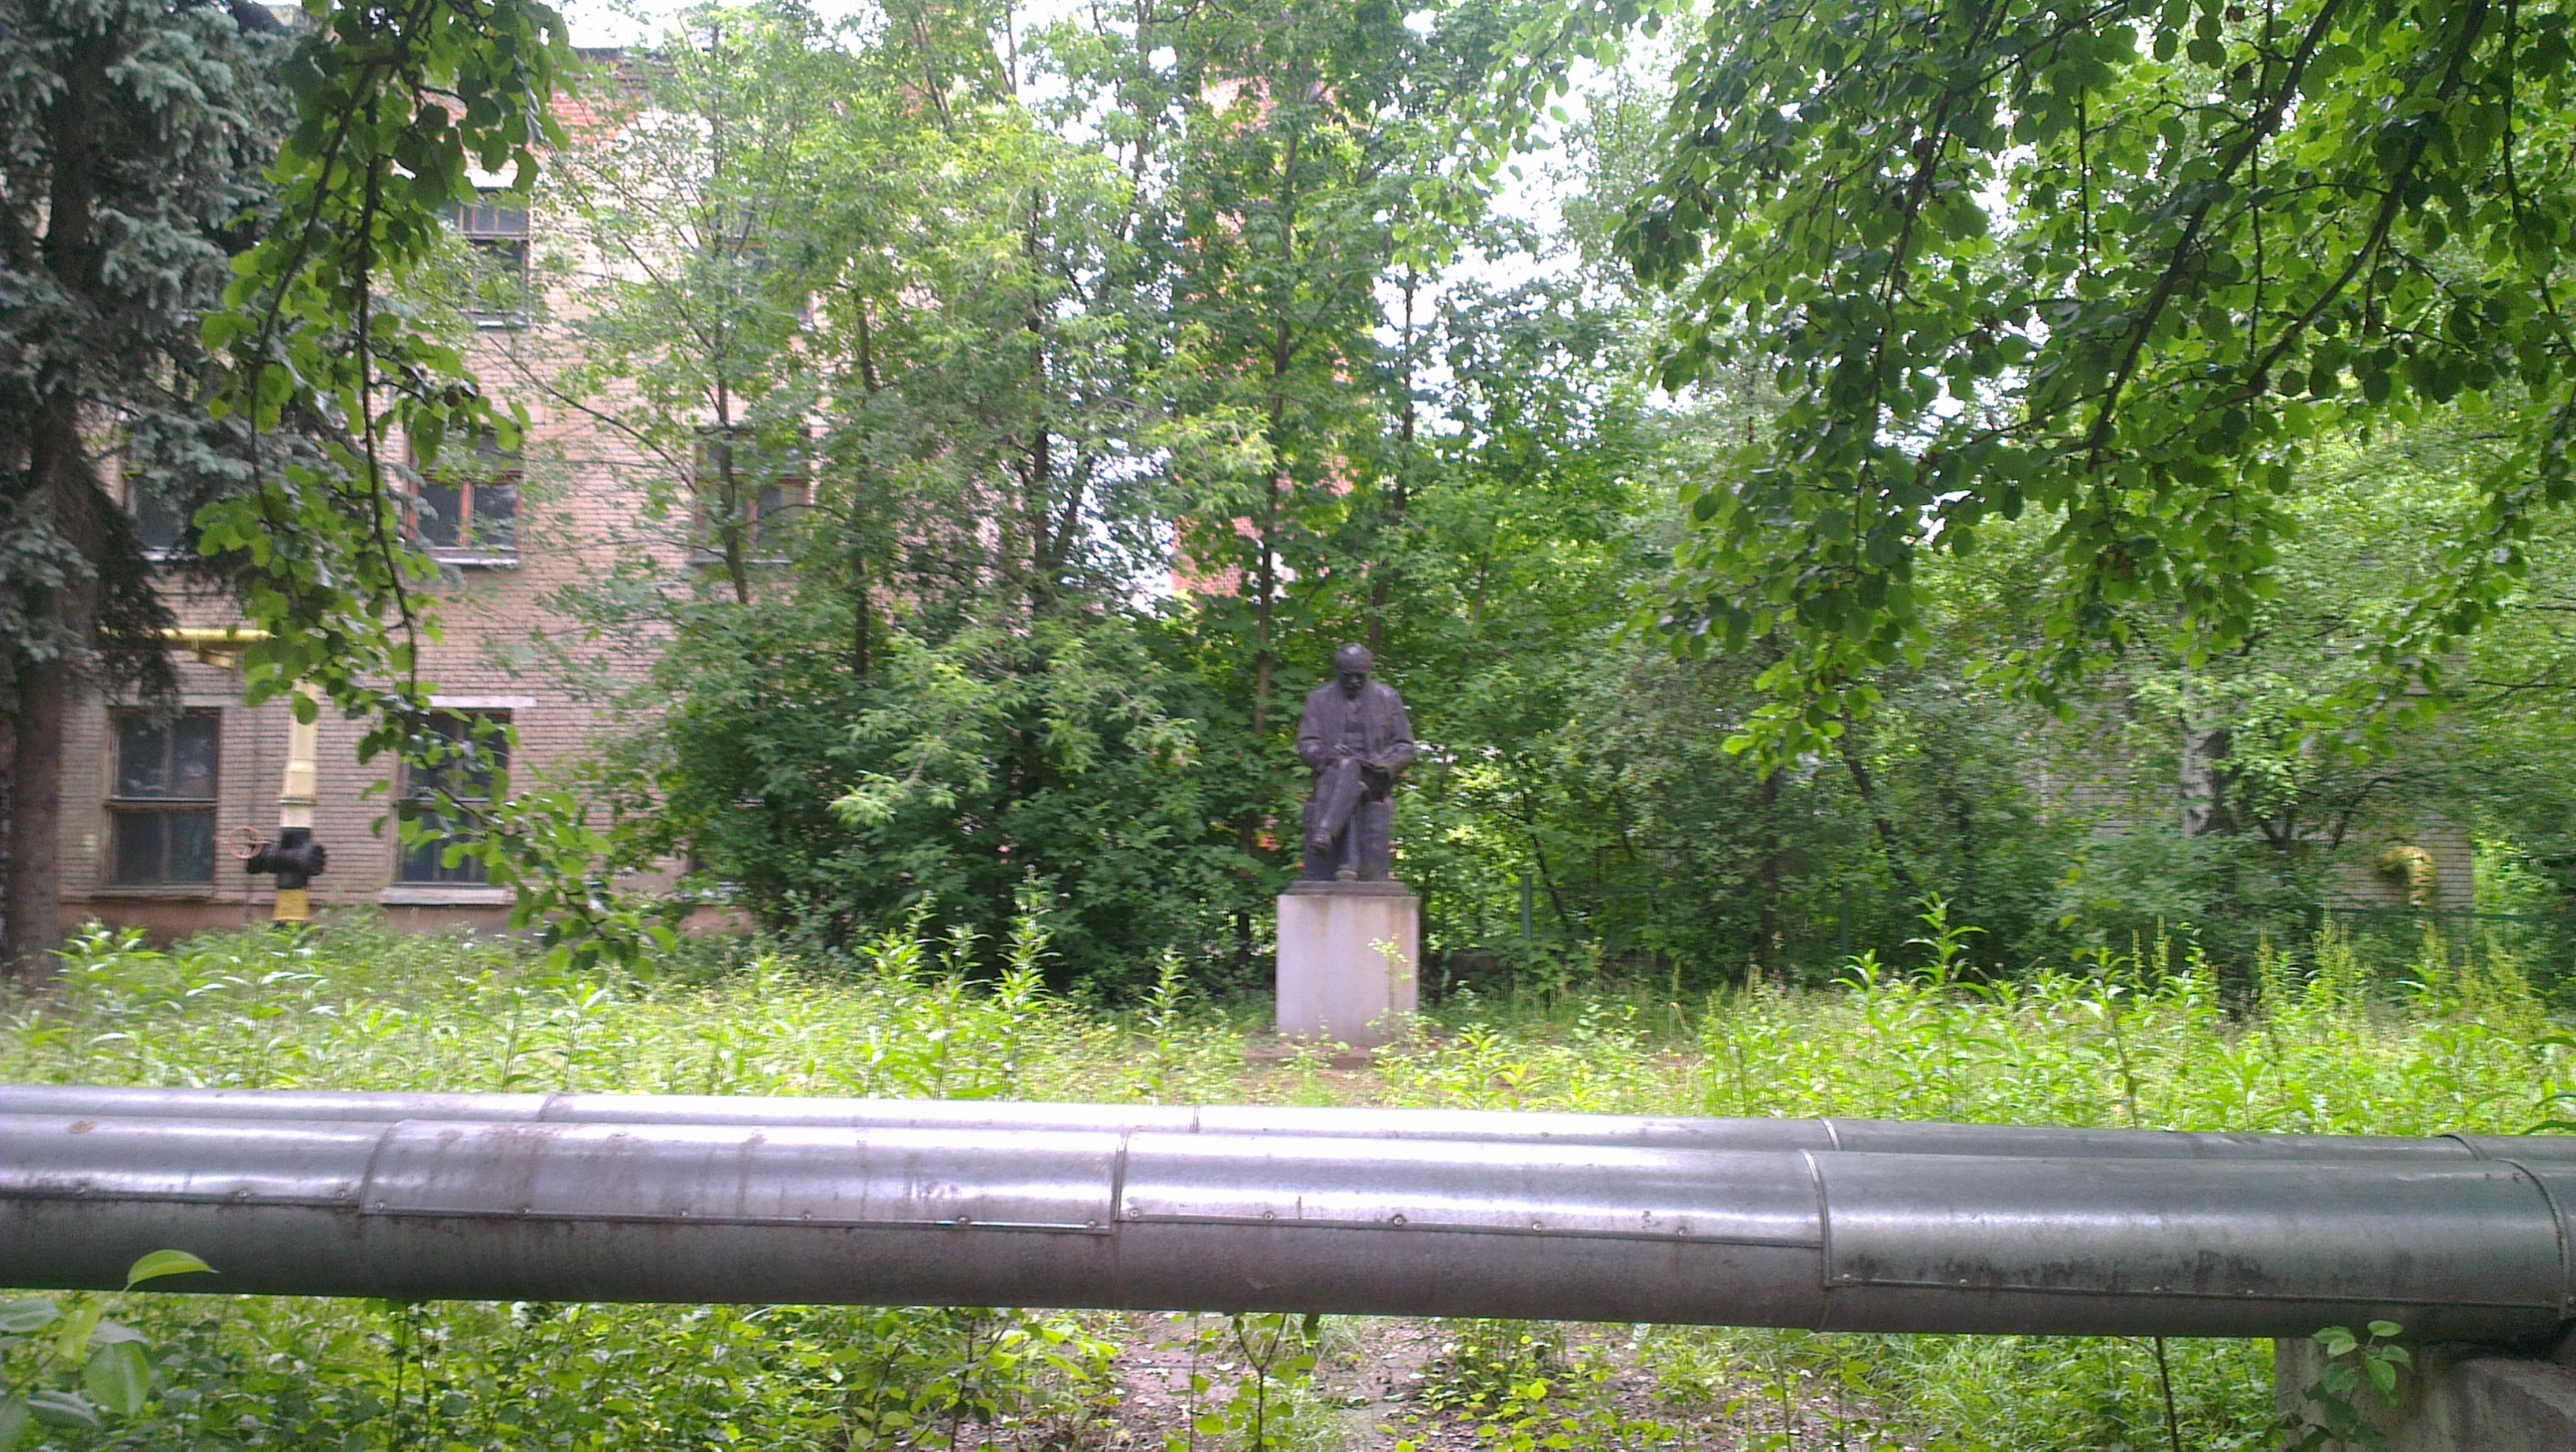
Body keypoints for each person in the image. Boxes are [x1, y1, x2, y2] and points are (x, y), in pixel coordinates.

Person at [1294, 643, 1414, 881]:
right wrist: (1328, 755)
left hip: (1374, 778)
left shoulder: (1387, 698)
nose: (1354, 682)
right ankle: (1349, 864)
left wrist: (1386, 765)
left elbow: (1406, 746)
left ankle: (1326, 831)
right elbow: (1307, 744)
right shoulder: (1319, 699)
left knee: (1351, 769)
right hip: (1332, 772)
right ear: (1338, 672)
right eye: (1348, 676)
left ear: (1367, 672)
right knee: (1348, 772)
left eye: (1360, 676)